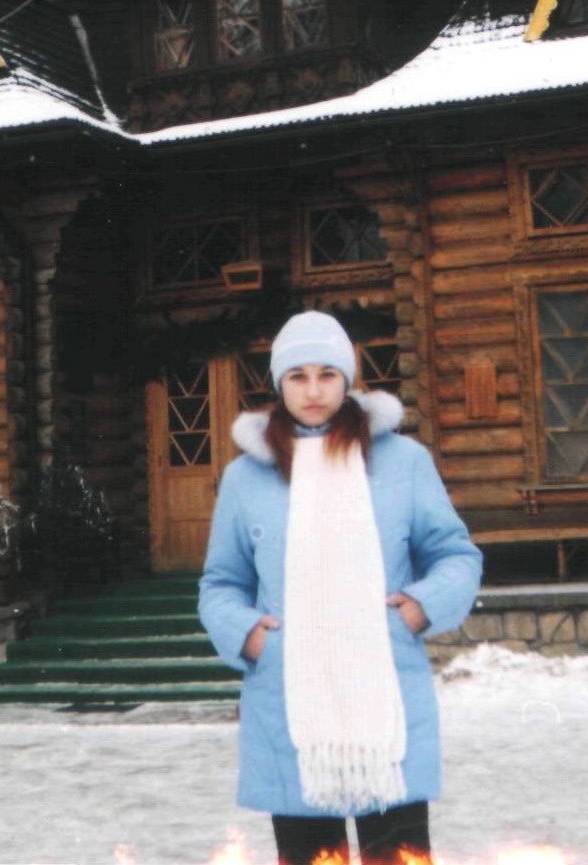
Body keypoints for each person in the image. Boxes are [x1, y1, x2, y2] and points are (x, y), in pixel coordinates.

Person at [199, 310, 483, 865]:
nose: (313, 391)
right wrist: (250, 635)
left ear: (348, 379)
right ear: (279, 383)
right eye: (297, 376)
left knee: (397, 856)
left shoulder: (403, 462)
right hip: (291, 699)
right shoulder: (246, 477)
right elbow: (221, 583)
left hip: (384, 695)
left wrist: (419, 608)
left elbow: (455, 555)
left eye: (326, 374)